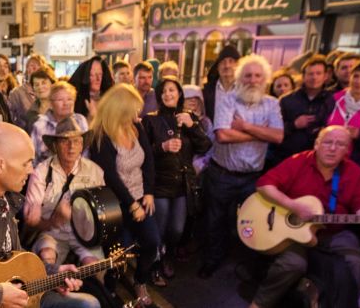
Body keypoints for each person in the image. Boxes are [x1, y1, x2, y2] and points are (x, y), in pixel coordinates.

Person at [248, 126, 360, 308]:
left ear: (347, 150)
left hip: (333, 232)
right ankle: (259, 303)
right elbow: (264, 185)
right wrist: (293, 206)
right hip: (294, 231)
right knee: (292, 264)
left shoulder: (354, 172)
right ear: (317, 144)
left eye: (340, 144)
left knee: (356, 263)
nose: (332, 148)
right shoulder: (299, 161)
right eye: (327, 142)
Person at [0, 123, 98, 308]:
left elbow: (16, 262)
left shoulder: (5, 198)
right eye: (26, 163)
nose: (30, 170)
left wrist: (54, 273)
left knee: (88, 304)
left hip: (23, 297)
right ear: (0, 165)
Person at [201, 54, 284, 278]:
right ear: (240, 77)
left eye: (258, 75)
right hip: (222, 174)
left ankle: (251, 268)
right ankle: (212, 261)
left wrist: (244, 125)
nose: (253, 80)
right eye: (247, 75)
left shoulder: (272, 104)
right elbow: (223, 135)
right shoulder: (228, 99)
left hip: (253, 177)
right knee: (214, 222)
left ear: (265, 79)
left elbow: (277, 136)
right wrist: (260, 134)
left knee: (253, 222)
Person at [85, 84, 160, 307]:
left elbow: (148, 162)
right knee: (119, 253)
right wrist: (131, 205)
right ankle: (110, 291)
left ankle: (140, 280)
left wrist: (148, 193)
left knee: (152, 242)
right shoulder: (102, 136)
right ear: (119, 110)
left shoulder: (135, 128)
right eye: (132, 111)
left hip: (140, 197)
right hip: (116, 204)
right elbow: (110, 177)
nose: (137, 115)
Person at [142, 78, 212, 286]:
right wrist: (162, 147)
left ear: (179, 93)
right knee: (159, 230)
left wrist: (193, 127)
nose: (168, 94)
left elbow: (205, 146)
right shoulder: (151, 120)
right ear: (159, 96)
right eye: (163, 91)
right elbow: (143, 155)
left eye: (172, 90)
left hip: (183, 185)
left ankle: (168, 255)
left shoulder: (189, 117)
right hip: (160, 184)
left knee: (177, 230)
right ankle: (155, 264)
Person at [24, 117, 105, 267]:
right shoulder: (41, 172)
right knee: (46, 257)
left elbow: (102, 212)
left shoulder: (95, 171)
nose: (71, 147)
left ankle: (91, 288)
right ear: (55, 145)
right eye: (64, 141)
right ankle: (52, 289)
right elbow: (32, 221)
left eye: (76, 141)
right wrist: (53, 219)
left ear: (82, 146)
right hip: (51, 233)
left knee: (95, 267)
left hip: (84, 235)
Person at [273, 56, 335, 168]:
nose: (314, 77)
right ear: (303, 76)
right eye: (310, 74)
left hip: (317, 160)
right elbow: (274, 130)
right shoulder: (287, 100)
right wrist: (294, 125)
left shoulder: (332, 100)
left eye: (318, 73)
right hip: (287, 158)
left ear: (325, 76)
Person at [30, 82, 89, 165]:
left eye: (70, 99)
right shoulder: (40, 125)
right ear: (51, 104)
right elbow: (33, 158)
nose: (66, 104)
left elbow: (86, 153)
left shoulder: (80, 120)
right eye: (60, 100)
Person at [202, 45, 241, 120]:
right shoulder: (207, 91)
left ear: (238, 65)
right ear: (217, 67)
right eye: (223, 62)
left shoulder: (245, 90)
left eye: (231, 61)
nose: (227, 66)